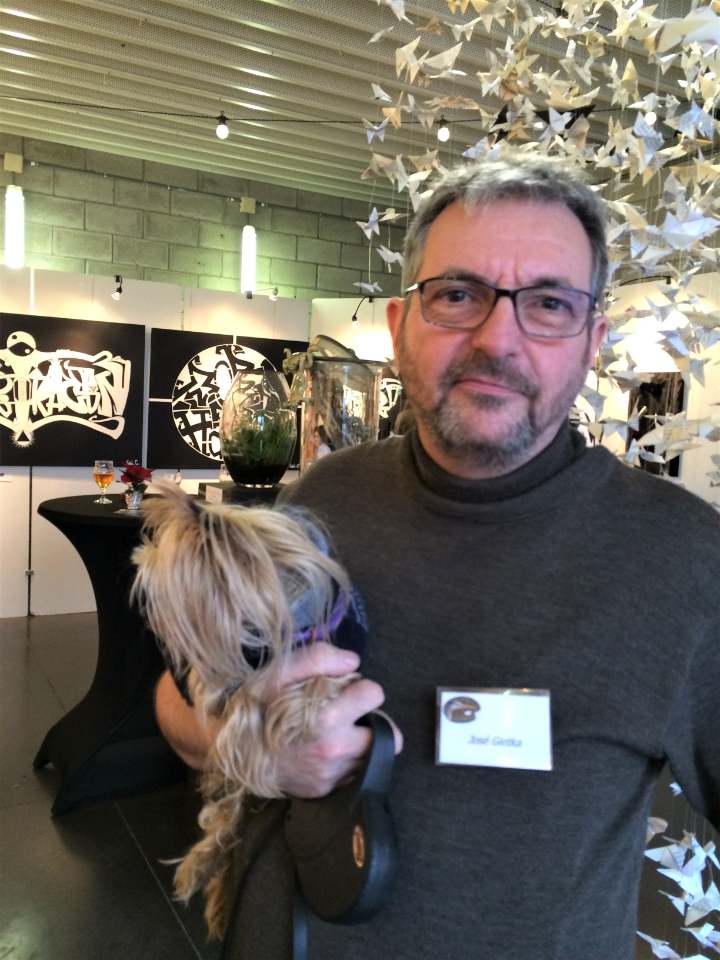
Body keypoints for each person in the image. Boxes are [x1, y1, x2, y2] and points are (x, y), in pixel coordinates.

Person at [154, 151, 720, 959]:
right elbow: (176, 700)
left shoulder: (681, 559)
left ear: (592, 341)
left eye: (549, 303)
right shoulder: (325, 497)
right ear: (399, 328)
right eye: (457, 294)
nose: (497, 338)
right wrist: (252, 747)